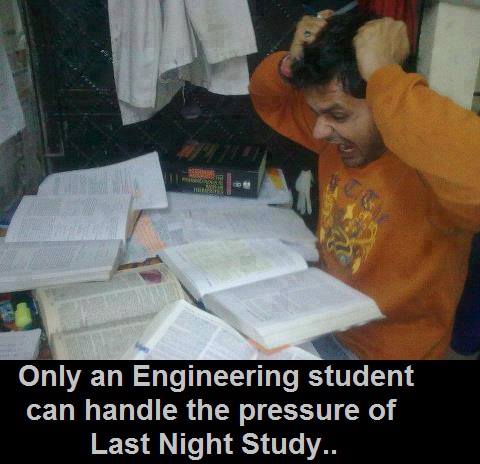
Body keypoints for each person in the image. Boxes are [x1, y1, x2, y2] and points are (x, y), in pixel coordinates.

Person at [249, 9, 480, 359]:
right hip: (320, 322)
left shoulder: (429, 166)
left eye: (338, 115)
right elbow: (267, 99)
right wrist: (288, 67)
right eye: (317, 114)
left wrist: (385, 75)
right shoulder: (342, 142)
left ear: (384, 100)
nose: (319, 131)